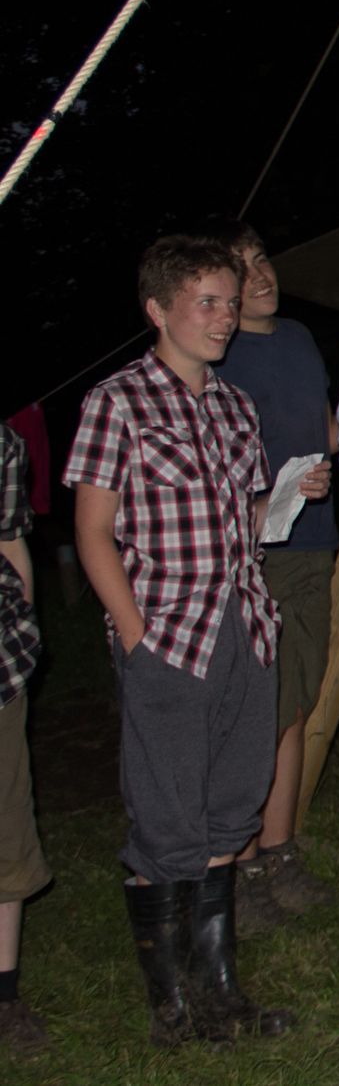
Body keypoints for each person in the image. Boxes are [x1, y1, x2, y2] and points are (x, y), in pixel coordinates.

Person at [65, 235, 311, 1044]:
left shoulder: (235, 406)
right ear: (157, 309)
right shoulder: (118, 402)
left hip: (244, 628)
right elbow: (93, 531)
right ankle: (171, 1008)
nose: (224, 317)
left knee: (230, 811)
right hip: (170, 635)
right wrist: (137, 637)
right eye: (206, 302)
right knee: (168, 819)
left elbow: (245, 521)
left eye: (229, 303)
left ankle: (220, 995)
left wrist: (285, 498)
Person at [205, 221, 339, 931]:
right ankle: (243, 865)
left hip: (314, 543)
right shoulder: (218, 355)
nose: (258, 276)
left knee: (295, 705)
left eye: (261, 259)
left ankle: (279, 852)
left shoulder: (297, 339)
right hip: (255, 552)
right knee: (258, 711)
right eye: (239, 268)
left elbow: (327, 429)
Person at [0, 422, 50, 1054]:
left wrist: (24, 640)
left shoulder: (3, 446)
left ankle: (4, 998)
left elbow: (10, 541)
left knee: (6, 825)